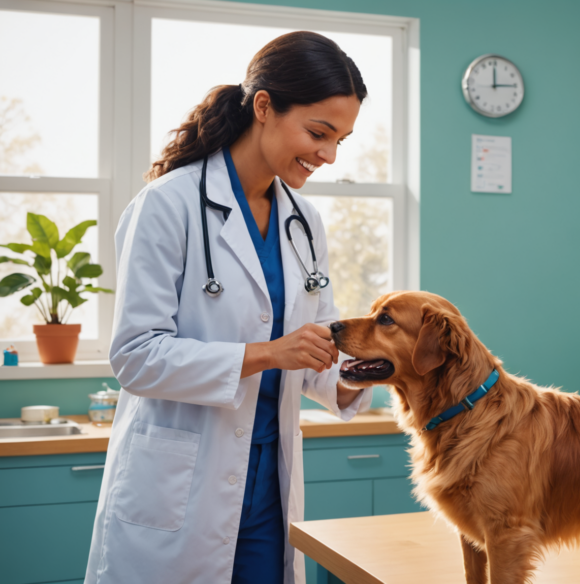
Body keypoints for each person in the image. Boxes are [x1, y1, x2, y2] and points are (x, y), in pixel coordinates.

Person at [84, 31, 369, 584]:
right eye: (318, 133)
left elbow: (314, 350)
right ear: (264, 107)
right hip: (179, 490)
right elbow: (136, 357)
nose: (328, 155)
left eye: (341, 140)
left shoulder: (303, 221)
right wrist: (266, 353)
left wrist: (363, 372)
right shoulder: (168, 205)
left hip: (267, 490)